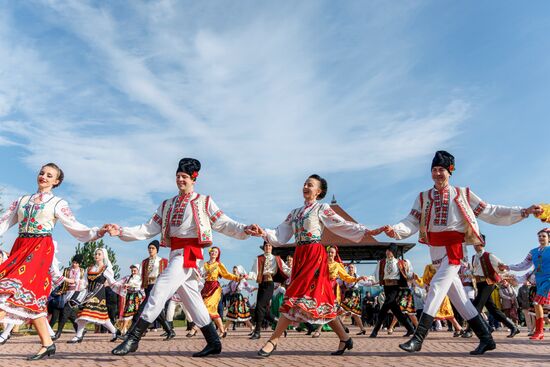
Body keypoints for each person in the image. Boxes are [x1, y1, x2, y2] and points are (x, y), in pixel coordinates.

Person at [374, 151, 542, 355]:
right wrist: (396, 230)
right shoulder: (423, 197)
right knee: (460, 300)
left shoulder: (463, 194)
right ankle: (486, 338)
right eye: (434, 170)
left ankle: (418, 338)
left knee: (436, 286)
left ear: (450, 172)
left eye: (441, 170)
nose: (437, 174)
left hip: (455, 248)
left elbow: (490, 211)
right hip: (435, 249)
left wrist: (522, 211)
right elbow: (411, 221)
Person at [109, 158, 262, 357]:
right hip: (175, 253)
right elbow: (148, 228)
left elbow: (223, 223)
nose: (180, 180)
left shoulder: (203, 201)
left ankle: (133, 338)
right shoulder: (167, 205)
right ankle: (214, 341)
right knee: (193, 301)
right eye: (178, 176)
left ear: (193, 179)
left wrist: (244, 229)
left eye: (184, 177)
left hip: (189, 254)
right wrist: (121, 231)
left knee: (160, 289)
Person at [255, 174, 374, 357]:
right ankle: (344, 337)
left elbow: (340, 224)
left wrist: (366, 231)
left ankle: (273, 340)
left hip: (315, 256)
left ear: (318, 191)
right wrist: (263, 232)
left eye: (310, 185)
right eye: (304, 184)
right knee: (321, 302)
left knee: (294, 296)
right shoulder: (294, 213)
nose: (305, 186)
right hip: (300, 256)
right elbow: (280, 234)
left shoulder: (322, 208)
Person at [0, 163, 107, 359]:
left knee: (7, 289)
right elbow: (4, 222)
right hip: (21, 247)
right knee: (29, 297)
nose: (44, 177)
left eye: (50, 175)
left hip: (40, 249)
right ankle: (48, 343)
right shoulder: (22, 200)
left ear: (56, 181)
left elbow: (74, 226)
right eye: (42, 173)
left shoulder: (57, 203)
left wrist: (96, 232)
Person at [460, 237, 519, 338]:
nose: (474, 245)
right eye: (474, 243)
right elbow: (475, 271)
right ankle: (512, 327)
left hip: (488, 283)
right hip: (479, 284)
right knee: (492, 309)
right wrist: (466, 274)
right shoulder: (474, 257)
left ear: (482, 243)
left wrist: (502, 270)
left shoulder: (489, 256)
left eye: (477, 242)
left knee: (476, 307)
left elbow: (502, 268)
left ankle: (469, 330)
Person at [503, 228, 550, 340]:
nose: (541, 238)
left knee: (536, 303)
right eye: (539, 236)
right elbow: (523, 265)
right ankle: (539, 332)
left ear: (549, 237)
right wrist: (508, 267)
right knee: (537, 304)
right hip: (539, 281)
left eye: (543, 236)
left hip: (548, 280)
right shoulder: (533, 252)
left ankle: (539, 331)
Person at [68, 248, 121, 343]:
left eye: (99, 254)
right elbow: (84, 282)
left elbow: (112, 282)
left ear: (103, 256)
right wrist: (78, 286)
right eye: (96, 254)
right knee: (102, 317)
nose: (97, 255)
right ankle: (115, 331)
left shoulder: (105, 269)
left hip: (99, 294)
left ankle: (78, 335)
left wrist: (122, 285)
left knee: (85, 313)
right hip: (89, 294)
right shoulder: (89, 268)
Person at [190, 246, 241, 338]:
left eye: (216, 252)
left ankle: (194, 328)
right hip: (206, 287)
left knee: (206, 306)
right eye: (212, 251)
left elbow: (226, 274)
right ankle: (222, 330)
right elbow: (199, 274)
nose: (214, 253)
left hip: (215, 288)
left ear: (218, 255)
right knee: (211, 310)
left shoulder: (218, 265)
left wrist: (236, 278)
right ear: (209, 253)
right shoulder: (204, 264)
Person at [130, 240, 173, 339]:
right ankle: (170, 331)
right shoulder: (144, 262)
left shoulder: (163, 261)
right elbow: (140, 276)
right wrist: (133, 284)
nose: (150, 250)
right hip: (148, 286)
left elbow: (168, 275)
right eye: (149, 248)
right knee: (157, 311)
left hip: (157, 287)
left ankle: (130, 333)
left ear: (157, 250)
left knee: (141, 310)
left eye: (153, 248)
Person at [370, 244, 415, 338]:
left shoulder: (400, 262)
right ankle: (410, 329)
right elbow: (375, 275)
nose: (387, 252)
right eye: (387, 250)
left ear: (393, 252)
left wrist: (407, 270)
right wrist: (369, 280)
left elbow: (409, 274)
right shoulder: (382, 262)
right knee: (396, 311)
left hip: (396, 287)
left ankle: (375, 331)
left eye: (390, 250)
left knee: (384, 308)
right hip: (386, 287)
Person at [248, 241, 291, 339]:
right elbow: (254, 272)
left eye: (269, 246)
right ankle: (278, 323)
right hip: (261, 283)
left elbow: (286, 270)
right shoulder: (258, 258)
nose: (268, 247)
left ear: (272, 248)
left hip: (270, 284)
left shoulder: (277, 259)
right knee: (265, 311)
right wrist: (248, 276)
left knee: (259, 307)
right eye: (266, 245)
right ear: (264, 247)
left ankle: (257, 332)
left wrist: (295, 272)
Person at [51, 254, 86, 340]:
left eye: (77, 263)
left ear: (79, 264)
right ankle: (80, 330)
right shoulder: (66, 270)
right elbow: (59, 280)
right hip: (66, 292)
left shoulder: (82, 271)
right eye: (73, 262)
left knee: (65, 311)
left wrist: (74, 281)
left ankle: (58, 333)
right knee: (69, 313)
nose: (74, 264)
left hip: (76, 293)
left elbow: (83, 282)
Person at [338, 262, 371, 336]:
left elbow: (366, 283)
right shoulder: (344, 277)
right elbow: (337, 283)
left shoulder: (357, 276)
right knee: (354, 314)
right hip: (348, 295)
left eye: (352, 267)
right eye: (349, 267)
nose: (350, 269)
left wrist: (375, 282)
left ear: (354, 269)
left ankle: (342, 328)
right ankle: (362, 329)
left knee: (343, 310)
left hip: (354, 296)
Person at [224, 265, 256, 334]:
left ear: (239, 272)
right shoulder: (232, 281)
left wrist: (257, 288)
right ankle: (252, 327)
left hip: (238, 299)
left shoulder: (242, 281)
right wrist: (220, 290)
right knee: (238, 315)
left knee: (232, 315)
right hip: (233, 298)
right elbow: (227, 289)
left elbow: (249, 287)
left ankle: (224, 330)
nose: (234, 272)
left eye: (235, 271)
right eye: (233, 271)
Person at [117, 265, 144, 335]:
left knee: (135, 313)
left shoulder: (139, 278)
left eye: (134, 270)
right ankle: (125, 329)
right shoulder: (128, 277)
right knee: (127, 312)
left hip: (136, 297)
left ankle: (125, 329)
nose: (133, 272)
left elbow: (138, 286)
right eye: (132, 270)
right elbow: (120, 282)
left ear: (138, 271)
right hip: (129, 296)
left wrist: (129, 285)